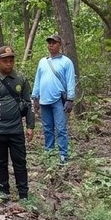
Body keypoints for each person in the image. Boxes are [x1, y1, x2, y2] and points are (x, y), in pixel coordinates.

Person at [0, 46, 35, 202]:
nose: (8, 64)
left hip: (16, 129)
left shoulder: (21, 79)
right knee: (1, 162)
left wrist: (30, 126)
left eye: (11, 60)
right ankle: (3, 190)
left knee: (20, 161)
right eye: (5, 61)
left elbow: (28, 102)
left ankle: (23, 194)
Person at [31, 33, 76, 165]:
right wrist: (35, 97)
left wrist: (70, 99)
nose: (51, 45)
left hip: (58, 100)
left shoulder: (66, 62)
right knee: (47, 128)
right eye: (49, 43)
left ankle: (63, 155)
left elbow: (70, 81)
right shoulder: (42, 62)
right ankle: (49, 153)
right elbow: (38, 80)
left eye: (54, 43)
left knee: (61, 128)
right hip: (44, 99)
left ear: (59, 45)